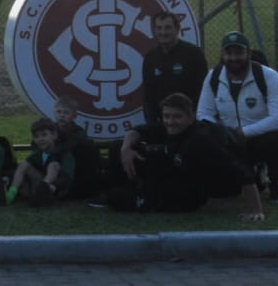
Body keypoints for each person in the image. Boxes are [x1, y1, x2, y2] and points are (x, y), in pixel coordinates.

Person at [109, 93, 265, 219]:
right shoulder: (168, 126)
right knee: (118, 147)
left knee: (117, 199)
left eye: (177, 116)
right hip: (179, 173)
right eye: (166, 116)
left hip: (195, 191)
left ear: (190, 118)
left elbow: (243, 173)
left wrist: (256, 210)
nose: (170, 121)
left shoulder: (202, 141)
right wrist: (125, 149)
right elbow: (136, 131)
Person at [197, 31, 278, 205]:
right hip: (228, 140)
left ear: (249, 53)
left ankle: (277, 186)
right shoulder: (213, 77)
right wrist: (221, 132)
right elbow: (203, 114)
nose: (234, 58)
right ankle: (253, 174)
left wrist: (244, 132)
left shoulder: (268, 76)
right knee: (225, 191)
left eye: (239, 52)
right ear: (222, 54)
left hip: (258, 138)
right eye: (229, 53)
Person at [141, 11, 209, 123]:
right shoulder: (150, 58)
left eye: (168, 28)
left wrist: (192, 116)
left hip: (188, 120)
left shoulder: (194, 54)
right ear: (154, 31)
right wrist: (152, 123)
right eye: (159, 28)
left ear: (177, 29)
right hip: (162, 121)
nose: (163, 32)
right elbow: (148, 95)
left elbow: (203, 91)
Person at [7, 117, 72, 206]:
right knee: (24, 164)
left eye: (44, 135)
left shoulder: (64, 153)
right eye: (36, 136)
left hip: (55, 189)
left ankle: (42, 193)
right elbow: (26, 169)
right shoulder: (37, 153)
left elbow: (67, 176)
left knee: (53, 165)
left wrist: (55, 186)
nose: (40, 139)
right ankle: (11, 193)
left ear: (54, 135)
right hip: (38, 184)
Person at [53, 96, 100, 199]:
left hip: (75, 167)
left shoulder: (79, 132)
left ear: (74, 116)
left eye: (66, 112)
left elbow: (69, 147)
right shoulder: (50, 130)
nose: (62, 115)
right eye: (59, 112)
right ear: (54, 113)